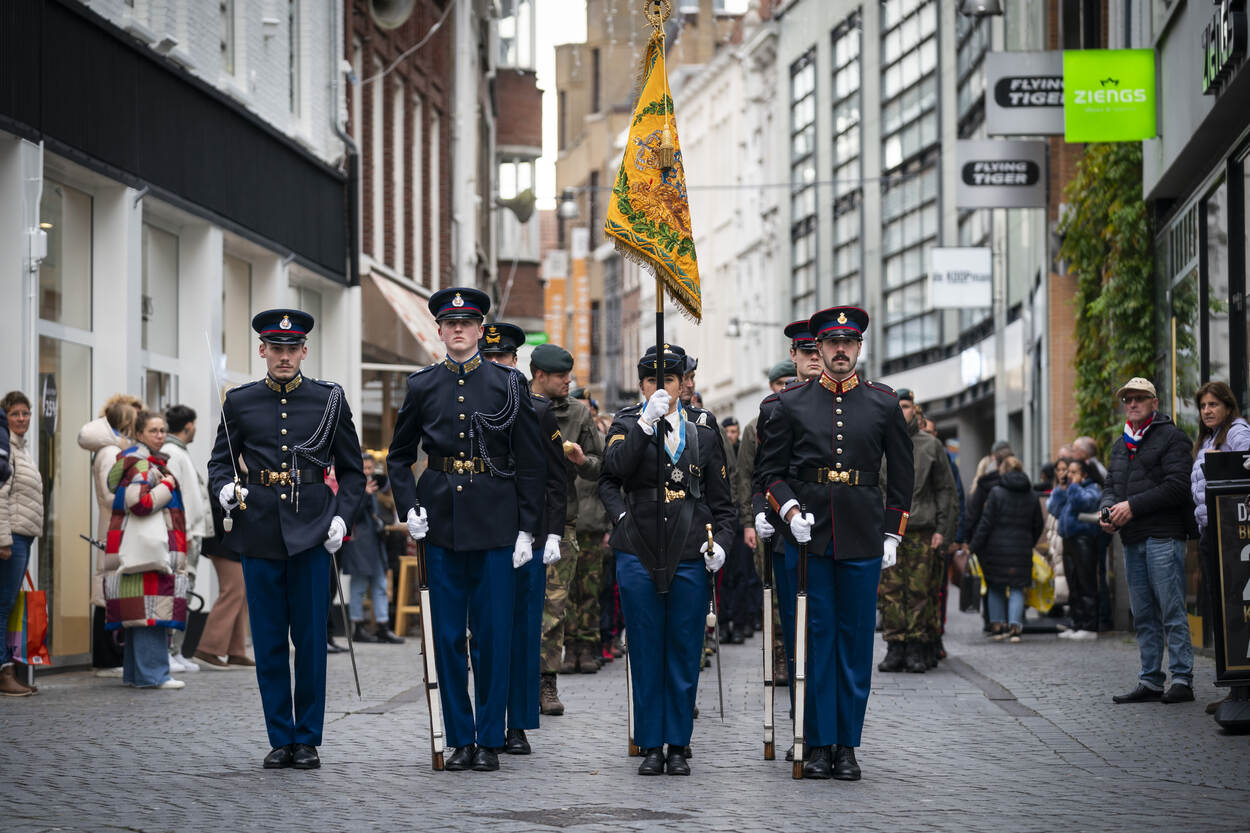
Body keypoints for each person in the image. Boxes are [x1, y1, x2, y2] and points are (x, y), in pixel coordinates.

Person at [387, 287, 543, 773]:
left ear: (480, 330)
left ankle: (491, 737)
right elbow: (398, 456)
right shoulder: (422, 385)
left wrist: (528, 529)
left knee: (493, 636)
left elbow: (530, 461)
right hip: (441, 524)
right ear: (439, 330)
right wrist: (409, 506)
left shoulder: (508, 384)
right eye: (450, 323)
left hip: (496, 522)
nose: (458, 329)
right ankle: (460, 737)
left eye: (467, 322)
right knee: (448, 636)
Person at [756, 306, 913, 781]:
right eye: (831, 343)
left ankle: (847, 744)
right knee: (813, 641)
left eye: (848, 343)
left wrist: (893, 532)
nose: (840, 350)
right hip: (810, 537)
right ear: (819, 349)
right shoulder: (790, 403)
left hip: (863, 535)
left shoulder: (883, 403)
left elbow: (901, 474)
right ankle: (817, 741)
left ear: (859, 347)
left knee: (855, 643)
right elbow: (770, 473)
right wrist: (789, 511)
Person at [208, 308, 365, 770]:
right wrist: (224, 489)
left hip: (313, 530)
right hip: (259, 529)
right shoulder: (239, 402)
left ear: (303, 352)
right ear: (262, 350)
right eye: (275, 348)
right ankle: (280, 736)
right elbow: (220, 462)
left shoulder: (328, 399)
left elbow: (353, 472)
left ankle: (308, 737)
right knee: (270, 640)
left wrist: (342, 520)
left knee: (311, 639)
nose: (283, 356)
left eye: (291, 349)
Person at [599, 346, 736, 776]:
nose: (661, 388)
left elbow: (723, 502)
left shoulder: (703, 429)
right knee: (644, 648)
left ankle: (678, 742)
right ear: (641, 385)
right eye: (652, 381)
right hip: (638, 547)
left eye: (670, 381)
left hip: (689, 548)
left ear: (682, 384)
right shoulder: (626, 423)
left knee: (683, 646)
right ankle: (650, 743)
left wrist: (722, 544)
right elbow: (612, 474)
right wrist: (645, 424)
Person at [477, 322, 566, 756]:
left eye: (504, 357)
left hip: (528, 534)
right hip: (484, 531)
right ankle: (489, 719)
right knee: (487, 632)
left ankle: (518, 723)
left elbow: (555, 479)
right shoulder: (469, 404)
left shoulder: (538, 410)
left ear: (517, 362)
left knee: (524, 630)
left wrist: (553, 533)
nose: (497, 364)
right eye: (490, 357)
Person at [1098, 378, 1196, 704]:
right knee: (1142, 614)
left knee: (1171, 609)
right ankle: (1151, 680)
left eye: (1140, 398)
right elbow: (1111, 486)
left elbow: (1178, 486)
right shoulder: (1120, 445)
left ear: (1154, 403)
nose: (1132, 404)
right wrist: (1107, 512)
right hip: (1132, 537)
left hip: (1164, 534)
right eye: (1128, 399)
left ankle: (1182, 678)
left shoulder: (1172, 437)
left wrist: (1132, 506)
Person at [528, 341, 603, 711]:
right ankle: (519, 680)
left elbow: (601, 464)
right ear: (540, 375)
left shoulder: (578, 412)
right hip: (518, 520)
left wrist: (581, 460)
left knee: (554, 608)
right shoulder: (517, 405)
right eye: (560, 376)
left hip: (562, 522)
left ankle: (547, 682)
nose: (568, 381)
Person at [102, 411, 189, 690]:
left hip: (139, 550)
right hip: (150, 552)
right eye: (153, 430)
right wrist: (168, 485)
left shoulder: (142, 462)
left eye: (163, 430)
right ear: (139, 434)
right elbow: (137, 502)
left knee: (139, 610)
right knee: (151, 609)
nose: (160, 435)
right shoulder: (143, 465)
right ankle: (154, 674)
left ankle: (136, 674)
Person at [879, 394, 956, 673]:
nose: (902, 411)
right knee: (889, 591)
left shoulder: (930, 445)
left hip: (922, 529)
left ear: (915, 410)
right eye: (897, 407)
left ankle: (916, 647)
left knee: (920, 591)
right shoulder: (879, 443)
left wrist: (943, 531)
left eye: (906, 406)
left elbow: (946, 491)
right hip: (889, 530)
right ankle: (894, 645)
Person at [1188, 380, 1250, 714]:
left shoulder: (1237, 432)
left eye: (1213, 404)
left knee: (1235, 609)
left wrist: (1224, 462)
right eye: (1203, 406)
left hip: (1232, 535)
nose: (1207, 411)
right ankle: (1235, 689)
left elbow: (1247, 464)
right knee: (1222, 610)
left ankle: (1242, 689)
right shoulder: (1209, 438)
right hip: (1210, 531)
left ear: (1227, 406)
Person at [79, 394, 143, 675]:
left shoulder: (118, 450)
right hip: (113, 527)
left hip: (120, 527)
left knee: (113, 588)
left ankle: (114, 656)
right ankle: (106, 658)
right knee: (106, 590)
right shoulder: (109, 452)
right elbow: (109, 493)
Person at [969, 456, 1043, 643]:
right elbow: (1038, 524)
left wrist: (974, 545)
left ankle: (998, 626)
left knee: (996, 586)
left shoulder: (996, 492)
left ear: (1002, 471)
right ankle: (1015, 627)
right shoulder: (1031, 494)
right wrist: (1029, 542)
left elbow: (986, 523)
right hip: (1022, 549)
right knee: (1017, 587)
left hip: (996, 549)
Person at [161, 404, 211, 672]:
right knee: (179, 590)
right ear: (189, 425)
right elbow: (177, 497)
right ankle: (169, 650)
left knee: (185, 591)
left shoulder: (178, 452)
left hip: (191, 533)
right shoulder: (173, 453)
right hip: (185, 534)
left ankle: (176, 650)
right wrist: (187, 532)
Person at [0, 392, 43, 696]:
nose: (21, 419)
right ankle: (5, 673)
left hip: (23, 535)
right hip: (11, 536)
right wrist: (3, 540)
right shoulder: (8, 450)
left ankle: (8, 670)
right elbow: (1, 495)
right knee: (3, 606)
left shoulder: (23, 449)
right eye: (15, 413)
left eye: (25, 413)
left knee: (8, 604)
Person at [341, 453, 405, 644]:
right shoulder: (352, 486)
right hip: (359, 544)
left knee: (380, 585)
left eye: (370, 468)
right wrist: (365, 494)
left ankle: (383, 627)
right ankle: (357, 627)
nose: (368, 472)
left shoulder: (373, 486)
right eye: (365, 468)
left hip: (375, 544)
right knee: (359, 586)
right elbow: (351, 514)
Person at [193, 497, 252, 669]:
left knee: (240, 593)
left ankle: (236, 651)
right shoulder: (223, 478)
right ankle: (207, 648)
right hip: (223, 539)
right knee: (233, 590)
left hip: (233, 539)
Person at [1047, 459, 1102, 640]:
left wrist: (1074, 486)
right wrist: (1061, 490)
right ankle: (1077, 623)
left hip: (1084, 539)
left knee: (1085, 582)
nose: (1068, 475)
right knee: (1073, 584)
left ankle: (1089, 626)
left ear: (1084, 474)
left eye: (1073, 472)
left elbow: (1084, 504)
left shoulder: (1092, 489)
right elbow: (1054, 509)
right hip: (1069, 540)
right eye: (1067, 472)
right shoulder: (1070, 489)